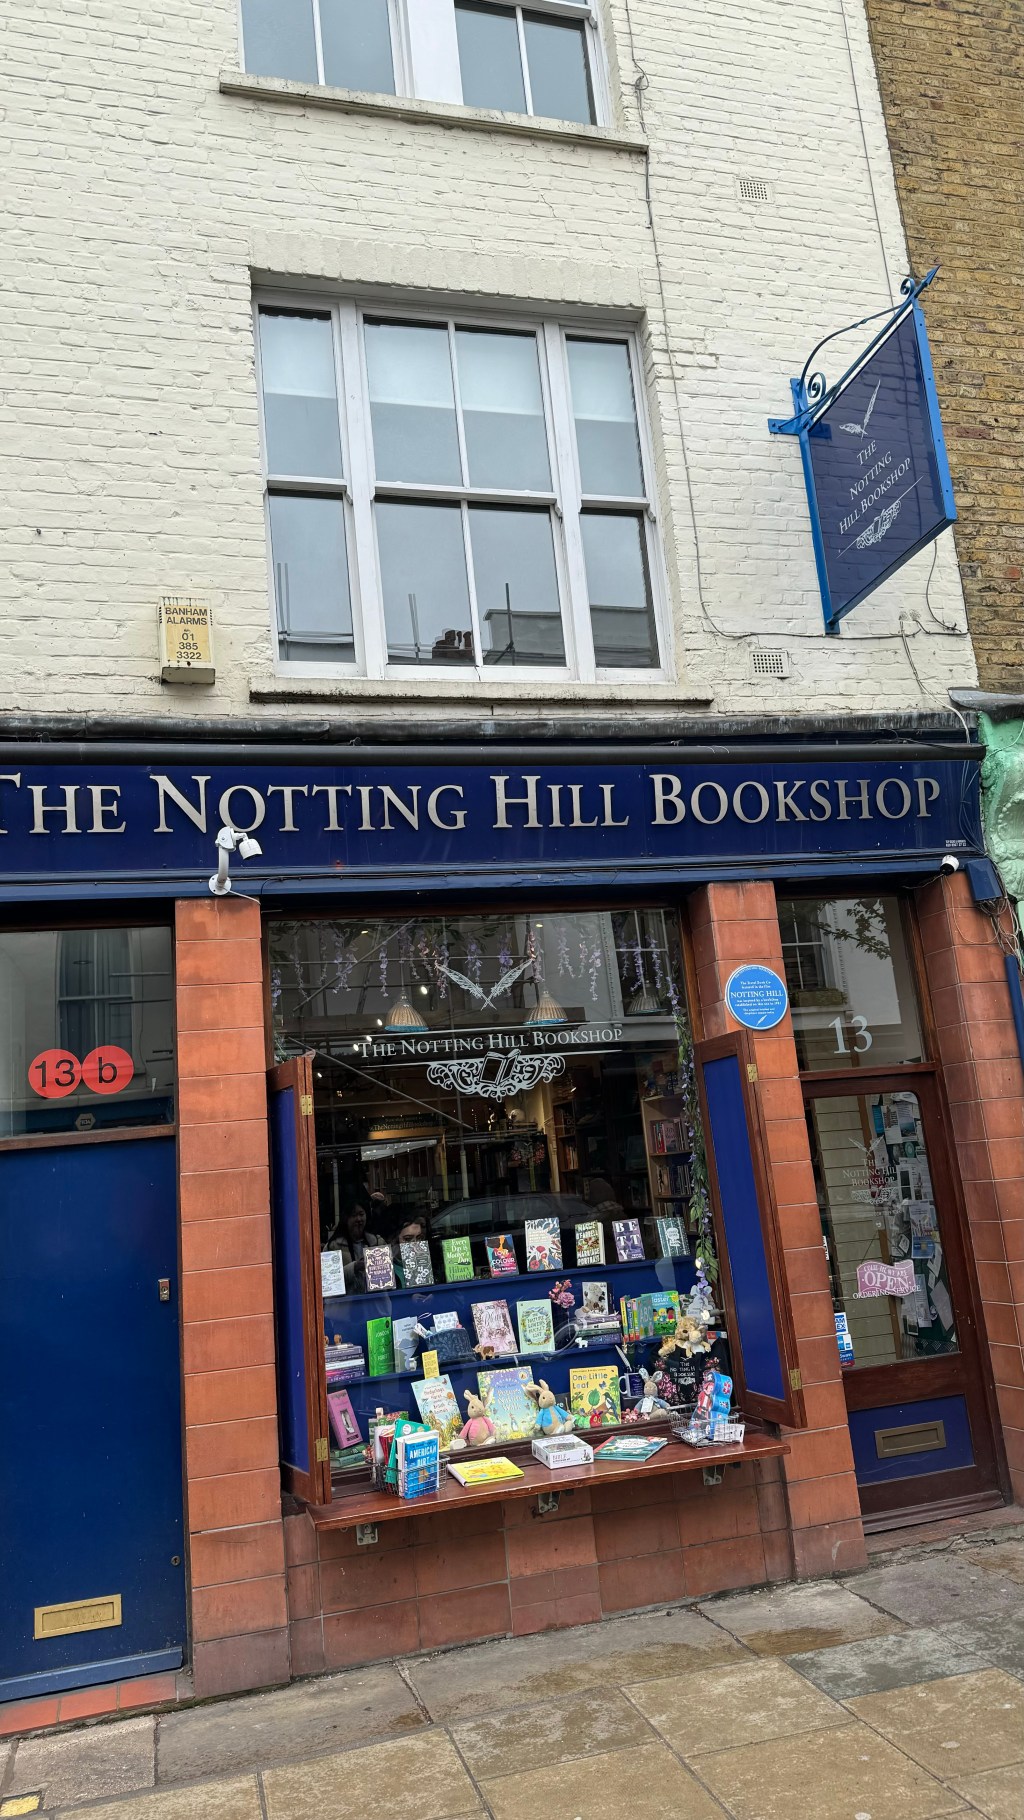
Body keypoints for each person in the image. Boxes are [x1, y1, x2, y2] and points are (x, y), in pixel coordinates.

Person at [332, 1199, 385, 1293]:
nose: (358, 1219)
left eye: (361, 1214)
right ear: (346, 1218)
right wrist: (354, 1267)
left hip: (375, 1300)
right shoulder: (334, 1246)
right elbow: (329, 1281)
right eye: (353, 1215)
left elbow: (387, 1276)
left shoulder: (378, 1242)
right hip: (346, 1301)